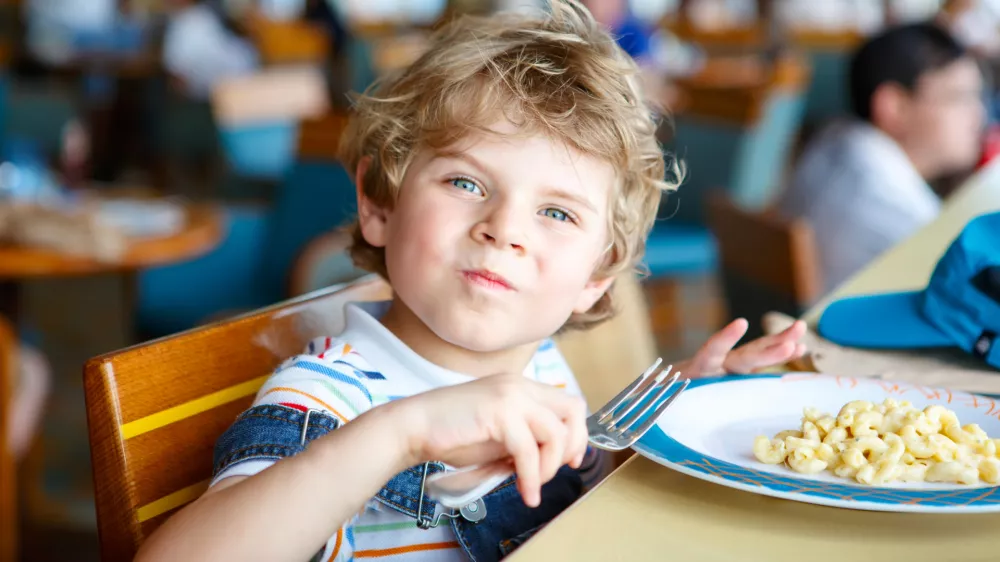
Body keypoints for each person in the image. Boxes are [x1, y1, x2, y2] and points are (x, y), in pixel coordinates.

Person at [135, 2, 806, 561]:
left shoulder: (540, 359)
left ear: (596, 279)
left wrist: (662, 428)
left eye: (555, 213)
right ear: (379, 203)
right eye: (466, 182)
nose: (504, 229)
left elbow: (574, 516)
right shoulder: (330, 398)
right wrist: (401, 433)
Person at [778, 22, 986, 295]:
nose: (979, 114)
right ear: (894, 106)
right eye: (960, 97)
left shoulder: (833, 141)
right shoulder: (899, 213)